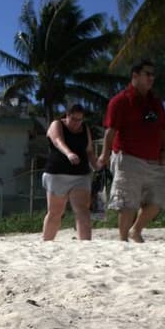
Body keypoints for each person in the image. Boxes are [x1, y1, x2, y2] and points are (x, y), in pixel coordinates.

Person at [99, 60, 165, 243]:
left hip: (154, 160)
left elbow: (163, 129)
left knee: (159, 197)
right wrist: (105, 154)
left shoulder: (156, 103)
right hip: (127, 156)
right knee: (127, 201)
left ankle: (136, 230)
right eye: (147, 74)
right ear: (135, 76)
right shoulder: (120, 101)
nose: (151, 78)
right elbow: (110, 131)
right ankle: (123, 240)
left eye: (153, 75)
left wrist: (164, 150)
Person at [42, 103, 100, 241]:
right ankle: (46, 242)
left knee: (82, 210)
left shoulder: (85, 129)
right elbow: (57, 141)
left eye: (80, 119)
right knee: (56, 212)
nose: (76, 123)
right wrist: (69, 153)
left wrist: (98, 166)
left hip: (81, 175)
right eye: (74, 119)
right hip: (57, 174)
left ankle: (85, 244)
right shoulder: (57, 124)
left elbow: (89, 151)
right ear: (67, 115)